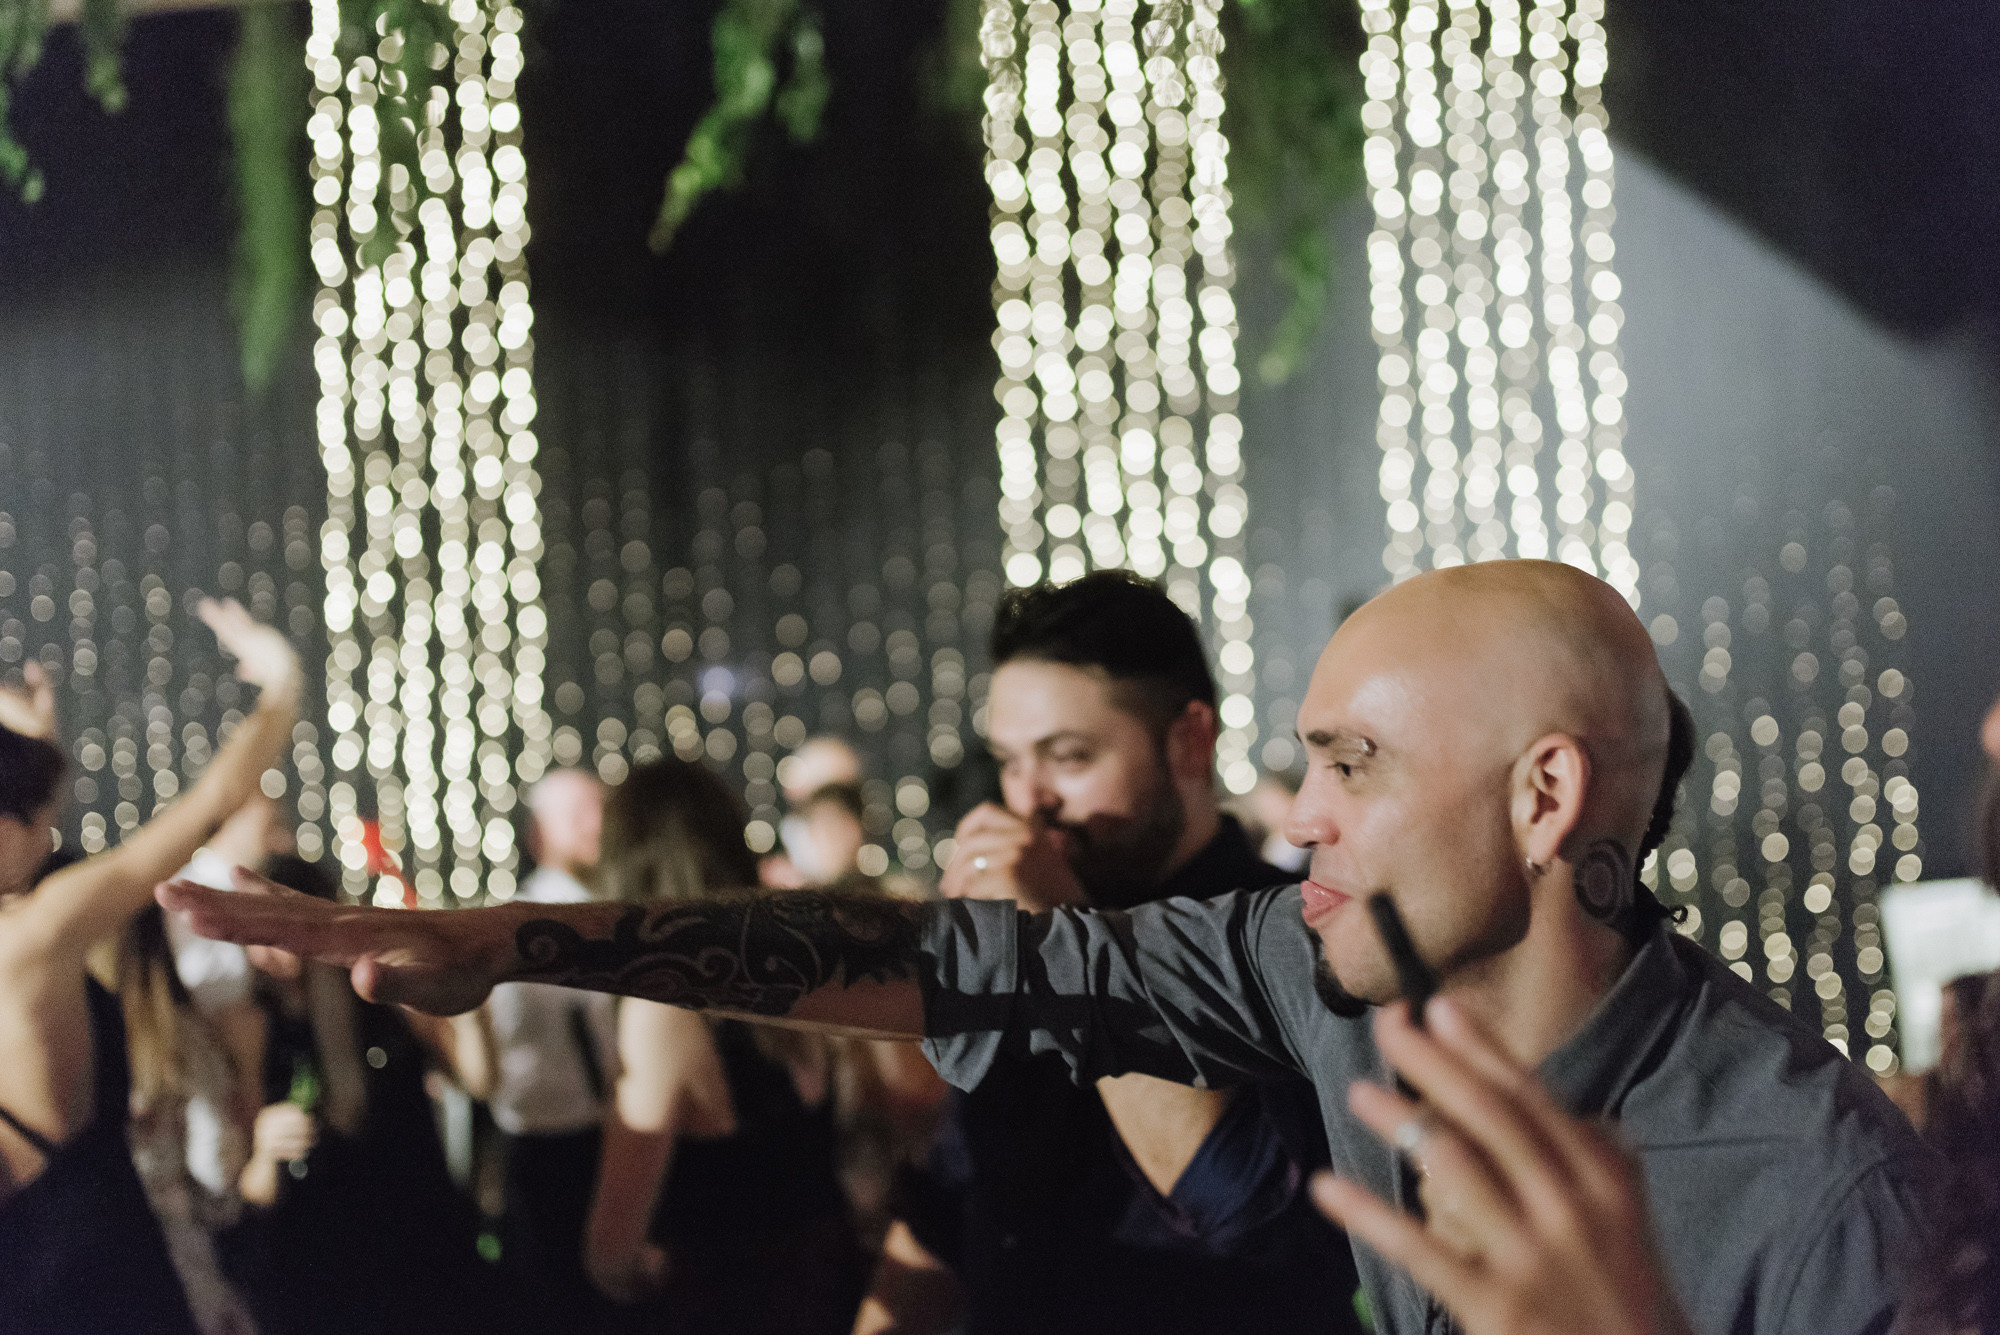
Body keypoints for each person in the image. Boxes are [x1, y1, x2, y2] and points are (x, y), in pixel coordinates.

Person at [161, 560, 1940, 1335]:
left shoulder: (1815, 1187)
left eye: (1353, 768)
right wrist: (515, 937)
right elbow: (918, 960)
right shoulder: (1309, 976)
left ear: (1549, 798)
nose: (1298, 815)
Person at [861, 571, 1361, 1335]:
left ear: (1190, 741)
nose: (1029, 801)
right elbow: (953, 1209)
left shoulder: (1298, 938)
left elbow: (1265, 1225)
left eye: (1067, 757)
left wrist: (1069, 940)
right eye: (1010, 760)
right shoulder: (1017, 944)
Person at [0, 598, 298, 1335]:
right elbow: (215, 800)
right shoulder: (35, 932)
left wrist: (33, 749)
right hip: (97, 1268)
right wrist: (285, 682)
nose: (52, 836)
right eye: (42, 817)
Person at [579, 756, 864, 1335]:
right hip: (832, 1295)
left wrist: (663, 1275)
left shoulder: (663, 1008)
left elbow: (611, 1253)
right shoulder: (790, 964)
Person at [478, 769, 622, 1335]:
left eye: (599, 810)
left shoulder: (523, 915)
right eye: (577, 815)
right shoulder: (564, 919)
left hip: (546, 1136)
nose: (595, 826)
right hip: (569, 1139)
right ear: (539, 834)